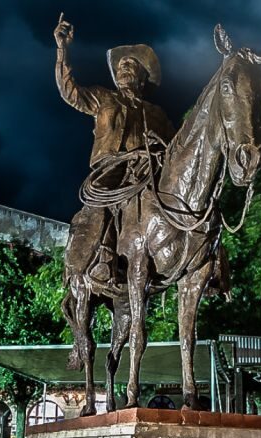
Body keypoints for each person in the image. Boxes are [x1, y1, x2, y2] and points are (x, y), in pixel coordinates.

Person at [54, 15, 175, 285]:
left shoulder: (157, 113)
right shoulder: (103, 97)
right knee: (100, 202)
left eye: (130, 65)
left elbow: (175, 147)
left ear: (143, 77)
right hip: (110, 165)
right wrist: (62, 49)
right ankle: (101, 258)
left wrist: (158, 152)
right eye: (120, 66)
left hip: (146, 170)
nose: (123, 69)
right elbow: (69, 91)